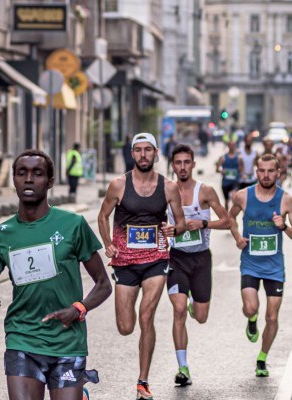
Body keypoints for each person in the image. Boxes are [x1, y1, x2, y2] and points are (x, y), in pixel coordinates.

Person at [0, 149, 112, 400]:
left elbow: (103, 284)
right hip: (22, 338)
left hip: (67, 340)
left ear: (49, 182)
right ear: (14, 179)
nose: (28, 179)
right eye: (21, 173)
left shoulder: (73, 225)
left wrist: (79, 308)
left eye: (37, 173)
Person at [97, 132, 186, 400]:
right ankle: (141, 373)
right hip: (124, 262)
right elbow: (103, 216)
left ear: (156, 153)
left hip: (156, 259)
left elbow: (180, 222)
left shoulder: (169, 187)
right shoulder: (118, 185)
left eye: (148, 150)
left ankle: (143, 381)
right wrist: (107, 243)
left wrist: (174, 230)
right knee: (126, 326)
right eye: (138, 150)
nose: (143, 155)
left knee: (147, 316)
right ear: (132, 154)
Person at [228, 154, 292, 378]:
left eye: (271, 171)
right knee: (251, 308)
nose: (266, 175)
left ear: (278, 173)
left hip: (274, 267)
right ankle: (251, 320)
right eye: (262, 170)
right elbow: (229, 218)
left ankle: (262, 358)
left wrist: (284, 228)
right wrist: (237, 236)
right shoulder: (242, 196)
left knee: (272, 317)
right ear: (256, 172)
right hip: (250, 263)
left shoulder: (287, 200)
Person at [162, 144, 230, 387]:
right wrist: (166, 229)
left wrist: (203, 224)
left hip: (201, 259)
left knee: (200, 317)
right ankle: (183, 367)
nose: (182, 167)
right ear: (172, 165)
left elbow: (227, 220)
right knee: (177, 309)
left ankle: (194, 304)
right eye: (178, 163)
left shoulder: (206, 191)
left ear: (193, 164)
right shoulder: (165, 192)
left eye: (186, 162)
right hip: (176, 258)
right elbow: (155, 220)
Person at [216, 139, 243, 210]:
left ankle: (233, 216)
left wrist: (240, 170)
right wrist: (221, 171)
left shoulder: (239, 158)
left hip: (235, 182)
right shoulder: (223, 158)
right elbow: (217, 169)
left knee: (234, 197)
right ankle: (227, 216)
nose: (232, 147)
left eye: (233, 145)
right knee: (227, 201)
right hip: (225, 182)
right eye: (230, 145)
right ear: (228, 146)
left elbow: (241, 169)